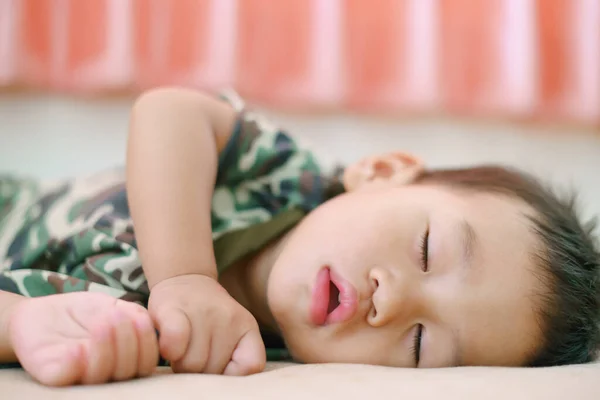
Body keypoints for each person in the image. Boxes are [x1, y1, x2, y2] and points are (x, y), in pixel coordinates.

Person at [0, 87, 598, 387]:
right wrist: (185, 276)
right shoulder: (286, 177)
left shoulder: (208, 353)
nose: (391, 302)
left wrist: (21, 327)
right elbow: (170, 110)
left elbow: (41, 326)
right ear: (383, 173)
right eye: (425, 251)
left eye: (420, 344)